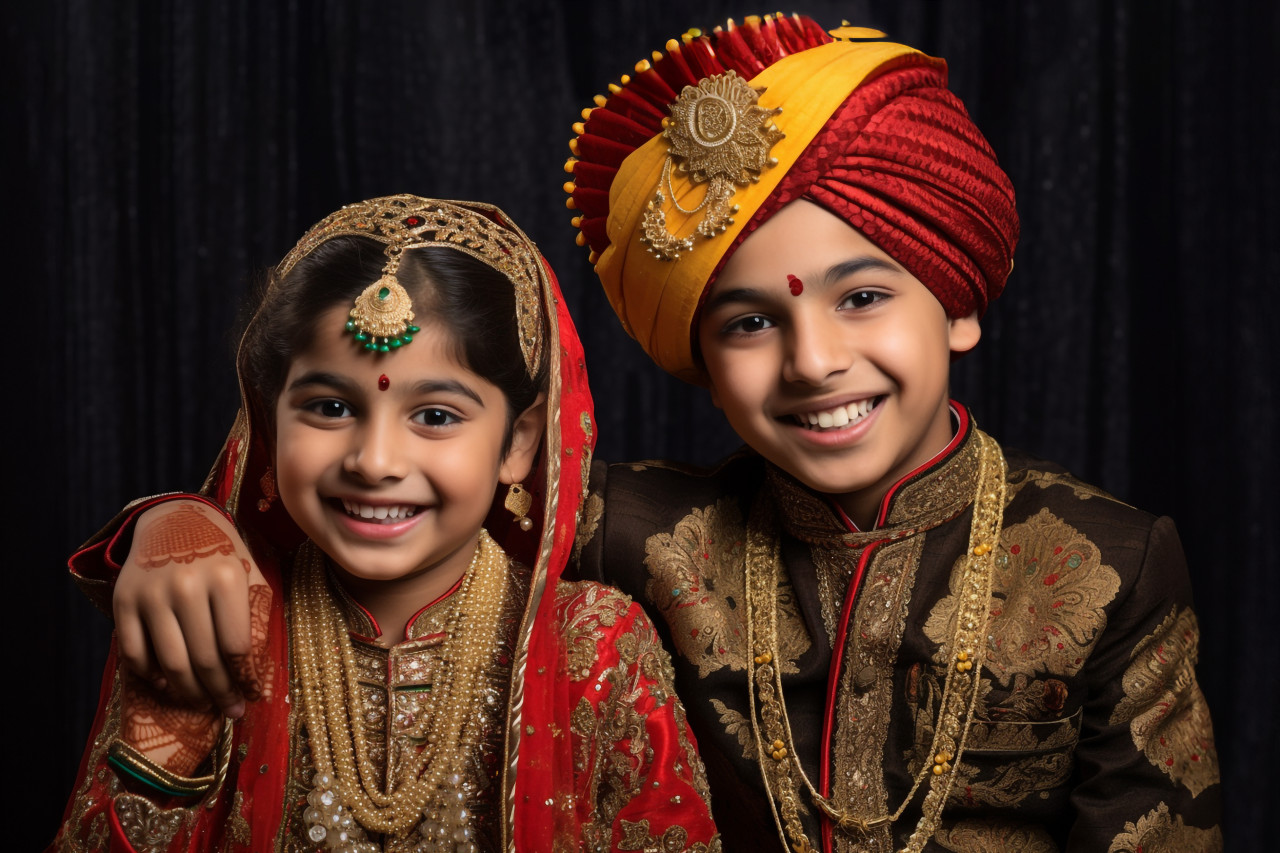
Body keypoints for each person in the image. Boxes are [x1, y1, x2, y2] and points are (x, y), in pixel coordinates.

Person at [78, 13, 1222, 853]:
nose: (813, 359)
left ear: (958, 300)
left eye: (863, 297)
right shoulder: (627, 531)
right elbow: (395, 500)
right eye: (748, 322)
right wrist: (174, 523)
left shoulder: (1110, 563)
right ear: (697, 361)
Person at [50, 195, 720, 853]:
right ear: (269, 421)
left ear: (518, 443)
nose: (374, 462)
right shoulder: (218, 621)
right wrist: (165, 757)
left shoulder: (593, 646)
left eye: (435, 416)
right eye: (330, 407)